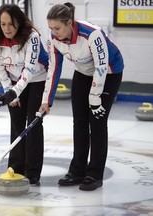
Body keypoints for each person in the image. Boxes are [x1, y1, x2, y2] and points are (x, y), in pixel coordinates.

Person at [40, 2, 124, 191]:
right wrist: (47, 100)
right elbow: (54, 69)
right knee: (79, 121)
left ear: (69, 23)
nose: (54, 33)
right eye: (51, 28)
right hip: (83, 73)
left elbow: (101, 67)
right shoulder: (54, 38)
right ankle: (77, 171)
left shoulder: (92, 34)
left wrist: (95, 99)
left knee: (97, 121)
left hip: (109, 73)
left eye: (58, 28)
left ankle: (94, 174)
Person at [0, 4, 49, 185]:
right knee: (16, 123)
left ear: (19, 23)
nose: (7, 29)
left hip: (37, 79)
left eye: (11, 24)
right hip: (15, 82)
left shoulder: (32, 36)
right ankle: (16, 167)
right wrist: (10, 92)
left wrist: (14, 92)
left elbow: (30, 68)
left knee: (33, 123)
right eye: (3, 24)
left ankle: (32, 172)